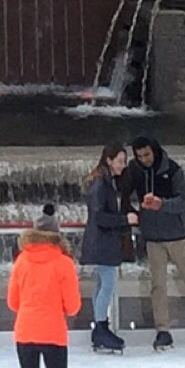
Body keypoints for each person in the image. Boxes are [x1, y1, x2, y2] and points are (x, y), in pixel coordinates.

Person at [123, 135, 185, 350]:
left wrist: (162, 204)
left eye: (146, 154)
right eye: (139, 155)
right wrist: (132, 212)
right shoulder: (135, 169)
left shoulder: (172, 170)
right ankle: (162, 330)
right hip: (153, 237)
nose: (144, 159)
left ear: (154, 150)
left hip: (178, 235)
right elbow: (124, 193)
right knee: (158, 285)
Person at [5, 203, 81, 368]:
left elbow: (12, 302)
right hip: (54, 335)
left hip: (25, 333)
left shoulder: (21, 262)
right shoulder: (64, 263)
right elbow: (73, 307)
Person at [79, 143, 131, 353]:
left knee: (102, 284)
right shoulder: (101, 185)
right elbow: (99, 216)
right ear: (109, 160)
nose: (123, 166)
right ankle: (100, 326)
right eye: (120, 161)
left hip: (102, 243)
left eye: (124, 162)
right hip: (102, 243)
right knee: (107, 284)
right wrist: (124, 218)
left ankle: (100, 327)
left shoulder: (105, 182)